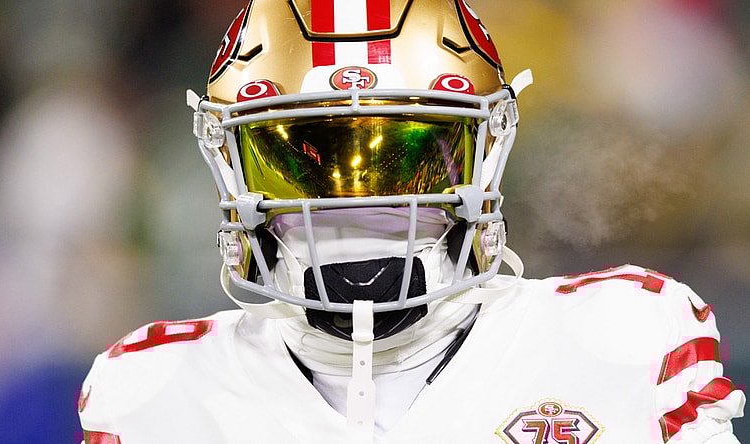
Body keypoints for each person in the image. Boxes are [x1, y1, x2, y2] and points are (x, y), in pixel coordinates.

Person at [78, 0, 745, 442]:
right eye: (303, 161)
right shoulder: (153, 394)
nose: (351, 203)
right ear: (232, 165)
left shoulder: (622, 344)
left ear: (488, 154)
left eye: (411, 156)